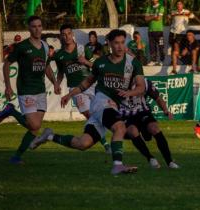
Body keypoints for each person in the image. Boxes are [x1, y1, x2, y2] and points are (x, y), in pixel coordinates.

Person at [30, 29, 145, 175]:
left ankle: (49, 136)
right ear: (109, 44)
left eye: (122, 43)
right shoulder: (101, 63)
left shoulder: (133, 63)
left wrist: (130, 92)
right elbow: (87, 83)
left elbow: (141, 87)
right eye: (116, 43)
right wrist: (70, 94)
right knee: (120, 127)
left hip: (112, 107)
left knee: (82, 143)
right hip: (102, 103)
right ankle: (117, 165)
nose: (120, 47)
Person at [0, 16, 59, 164]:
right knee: (35, 125)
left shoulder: (44, 46)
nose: (37, 29)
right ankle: (11, 110)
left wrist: (55, 82)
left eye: (39, 26)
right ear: (29, 29)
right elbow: (7, 64)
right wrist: (8, 87)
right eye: (34, 26)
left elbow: (46, 66)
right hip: (26, 89)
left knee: (34, 129)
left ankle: (16, 157)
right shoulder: (22, 46)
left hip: (41, 90)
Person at [46, 23, 111, 154]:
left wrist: (86, 62)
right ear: (60, 37)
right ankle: (106, 145)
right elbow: (60, 72)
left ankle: (103, 141)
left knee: (99, 115)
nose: (67, 37)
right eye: (64, 35)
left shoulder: (83, 49)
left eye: (69, 34)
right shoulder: (59, 55)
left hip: (90, 85)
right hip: (74, 89)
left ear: (73, 35)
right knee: (89, 115)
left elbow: (96, 66)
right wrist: (57, 84)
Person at [121, 78, 179, 169]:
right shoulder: (117, 83)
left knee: (154, 128)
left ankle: (169, 161)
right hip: (126, 115)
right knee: (132, 131)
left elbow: (158, 98)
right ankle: (150, 158)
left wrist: (166, 110)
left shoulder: (144, 82)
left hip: (143, 112)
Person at [145, 0, 165, 66]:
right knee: (152, 47)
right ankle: (153, 61)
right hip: (150, 30)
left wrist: (151, 16)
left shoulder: (161, 7)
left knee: (161, 46)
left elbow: (159, 18)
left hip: (159, 30)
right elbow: (146, 19)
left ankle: (162, 61)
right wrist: (154, 16)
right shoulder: (149, 8)